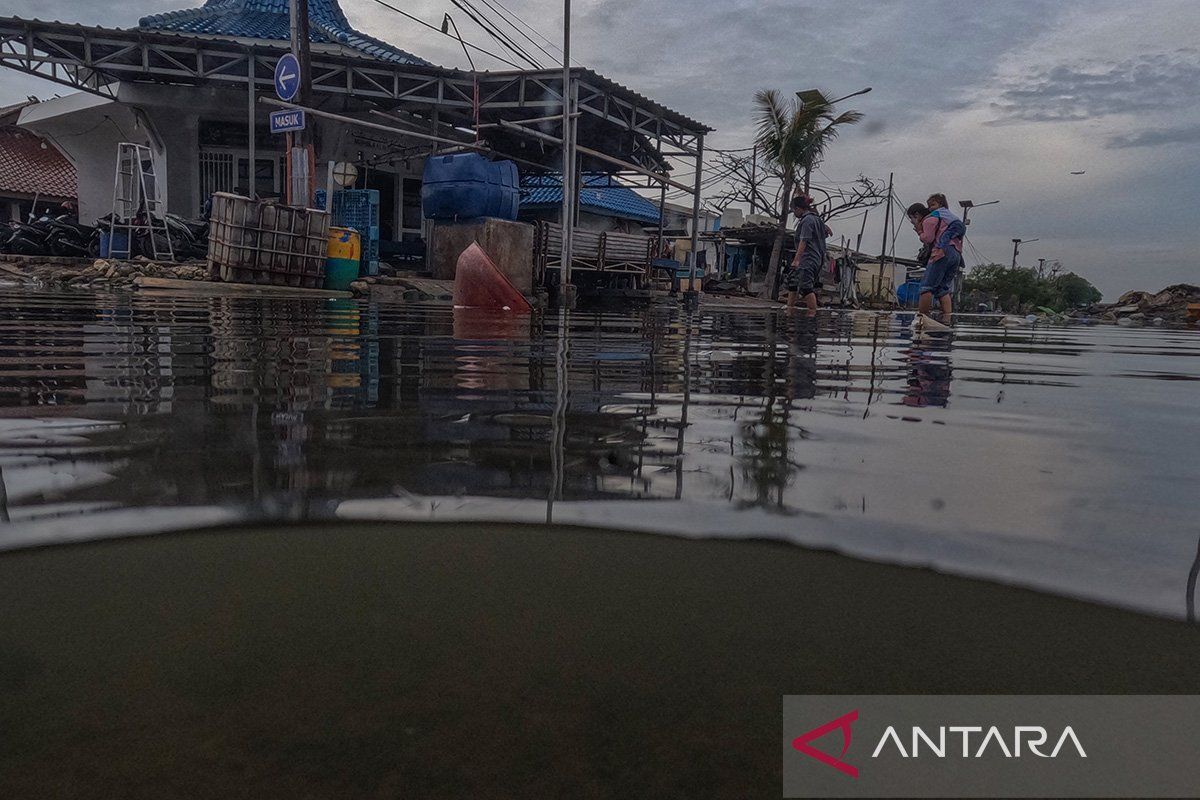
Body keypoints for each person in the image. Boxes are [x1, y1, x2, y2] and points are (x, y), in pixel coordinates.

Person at [913, 193, 964, 321]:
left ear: (916, 215)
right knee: (942, 288)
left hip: (942, 252)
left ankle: (922, 319)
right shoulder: (947, 217)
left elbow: (928, 238)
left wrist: (919, 230)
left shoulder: (930, 219)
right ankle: (947, 319)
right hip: (956, 254)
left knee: (926, 286)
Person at [785, 194, 827, 314]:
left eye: (794, 210)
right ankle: (789, 310)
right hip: (816, 258)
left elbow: (804, 240)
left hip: (808, 258)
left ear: (798, 208)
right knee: (793, 282)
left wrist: (796, 259)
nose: (794, 214)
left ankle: (812, 313)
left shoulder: (807, 221)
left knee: (806, 287)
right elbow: (824, 232)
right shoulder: (817, 219)